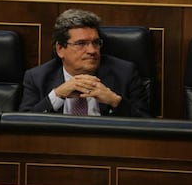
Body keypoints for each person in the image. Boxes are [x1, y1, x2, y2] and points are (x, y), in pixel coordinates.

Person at [19, 9, 151, 117]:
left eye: (96, 43)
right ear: (60, 49)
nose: (92, 50)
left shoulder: (125, 73)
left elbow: (147, 126)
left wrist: (114, 101)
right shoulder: (37, 78)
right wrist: (57, 95)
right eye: (81, 44)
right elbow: (21, 127)